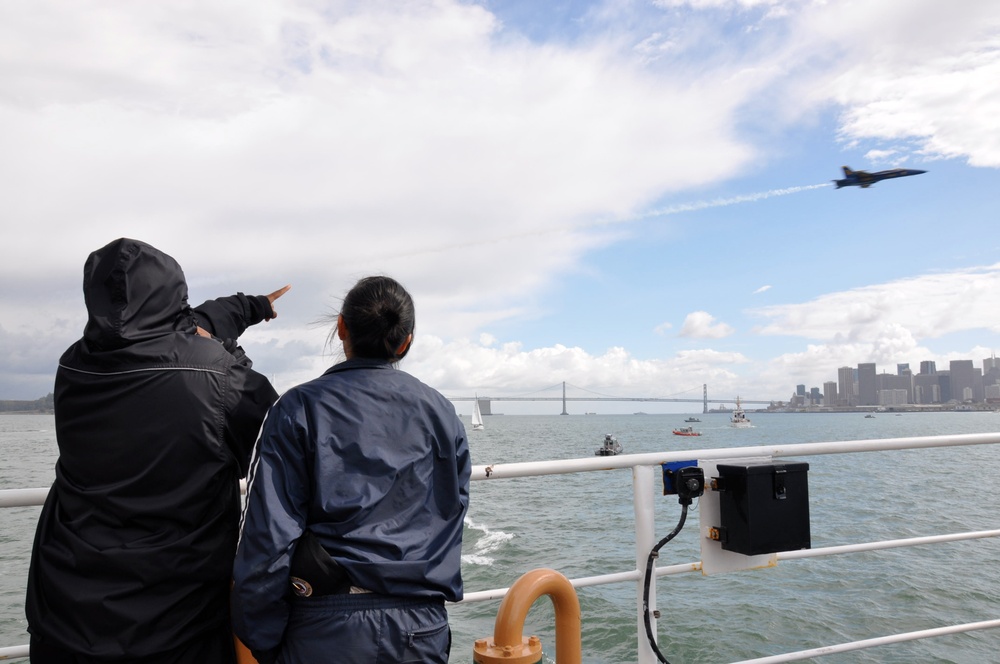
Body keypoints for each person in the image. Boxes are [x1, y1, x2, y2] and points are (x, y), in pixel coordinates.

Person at [25, 238, 289, 664]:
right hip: (176, 625)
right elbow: (276, 438)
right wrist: (229, 344)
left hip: (65, 616)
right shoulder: (218, 374)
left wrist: (238, 310)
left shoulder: (72, 368)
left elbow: (148, 337)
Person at [231, 275, 470, 664]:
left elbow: (266, 539)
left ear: (341, 327)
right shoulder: (443, 412)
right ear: (406, 341)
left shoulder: (297, 408)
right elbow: (452, 512)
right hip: (421, 628)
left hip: (326, 627)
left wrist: (265, 641)